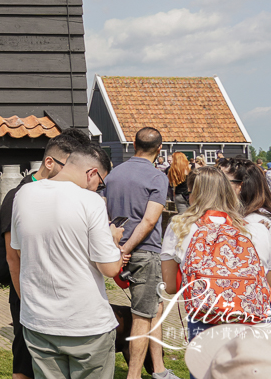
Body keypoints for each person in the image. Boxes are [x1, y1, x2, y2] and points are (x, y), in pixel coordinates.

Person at [10, 140, 124, 379]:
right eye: (100, 183)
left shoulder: (23, 194)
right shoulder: (91, 201)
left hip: (39, 320)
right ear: (91, 173)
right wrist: (113, 239)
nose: (97, 188)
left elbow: (20, 252)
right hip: (85, 323)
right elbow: (111, 268)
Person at [0, 128, 87, 379]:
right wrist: (27, 302)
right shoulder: (18, 196)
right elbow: (13, 257)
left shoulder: (68, 194)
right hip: (29, 295)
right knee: (26, 358)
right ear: (49, 162)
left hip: (58, 295)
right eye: (69, 167)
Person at [161, 167, 271, 340]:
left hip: (206, 318)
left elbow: (170, 286)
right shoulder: (256, 229)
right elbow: (269, 287)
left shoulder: (179, 227)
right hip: (251, 320)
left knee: (206, 366)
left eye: (189, 193)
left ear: (196, 194)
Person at [104, 127, 170, 379]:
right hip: (143, 252)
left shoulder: (112, 175)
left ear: (133, 145)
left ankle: (159, 369)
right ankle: (134, 376)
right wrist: (126, 248)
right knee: (143, 316)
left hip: (114, 250)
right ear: (160, 149)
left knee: (156, 308)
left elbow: (102, 212)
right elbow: (150, 220)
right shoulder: (156, 177)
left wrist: (114, 247)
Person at [223, 159, 271, 294]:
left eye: (224, 182)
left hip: (262, 303)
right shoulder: (263, 215)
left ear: (240, 186)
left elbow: (256, 275)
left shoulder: (254, 223)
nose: (218, 187)